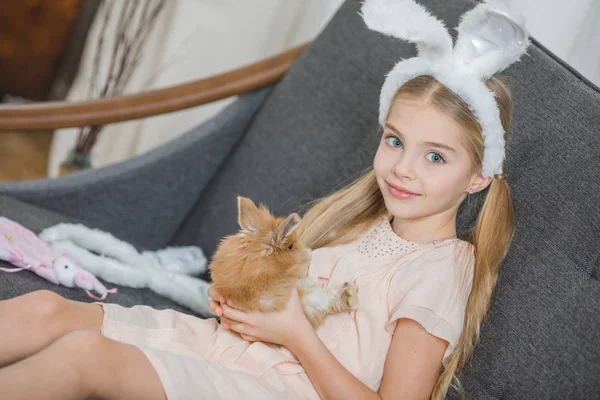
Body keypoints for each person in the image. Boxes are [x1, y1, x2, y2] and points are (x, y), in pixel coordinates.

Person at [0, 1, 530, 399]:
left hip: (279, 391)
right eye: (395, 140)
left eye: (436, 157)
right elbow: (292, 304)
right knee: (48, 310)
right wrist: (244, 308)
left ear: (479, 176)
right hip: (230, 353)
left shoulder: (443, 267)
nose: (404, 168)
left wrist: (295, 333)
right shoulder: (363, 225)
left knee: (84, 355)